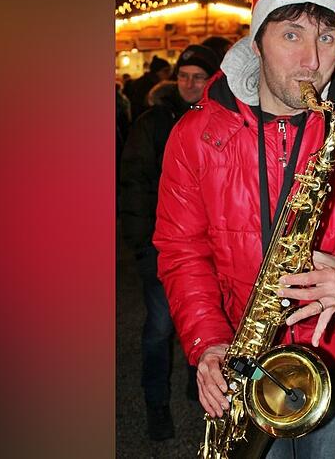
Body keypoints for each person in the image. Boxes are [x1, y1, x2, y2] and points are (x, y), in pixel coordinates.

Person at [154, 0, 335, 459]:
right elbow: (181, 250)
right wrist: (208, 343)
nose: (313, 59)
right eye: (292, 35)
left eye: (326, 38)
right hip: (238, 352)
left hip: (332, 348)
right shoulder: (194, 135)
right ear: (258, 41)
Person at [119, 44, 221, 441]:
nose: (190, 84)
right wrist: (144, 248)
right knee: (160, 329)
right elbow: (134, 186)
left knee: (207, 321)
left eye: (199, 76)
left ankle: (198, 382)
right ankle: (155, 403)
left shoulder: (220, 119)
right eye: (184, 76)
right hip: (164, 249)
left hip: (210, 250)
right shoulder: (154, 123)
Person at [126, 55, 172, 122]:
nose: (168, 74)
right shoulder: (146, 85)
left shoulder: (152, 82)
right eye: (166, 71)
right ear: (157, 72)